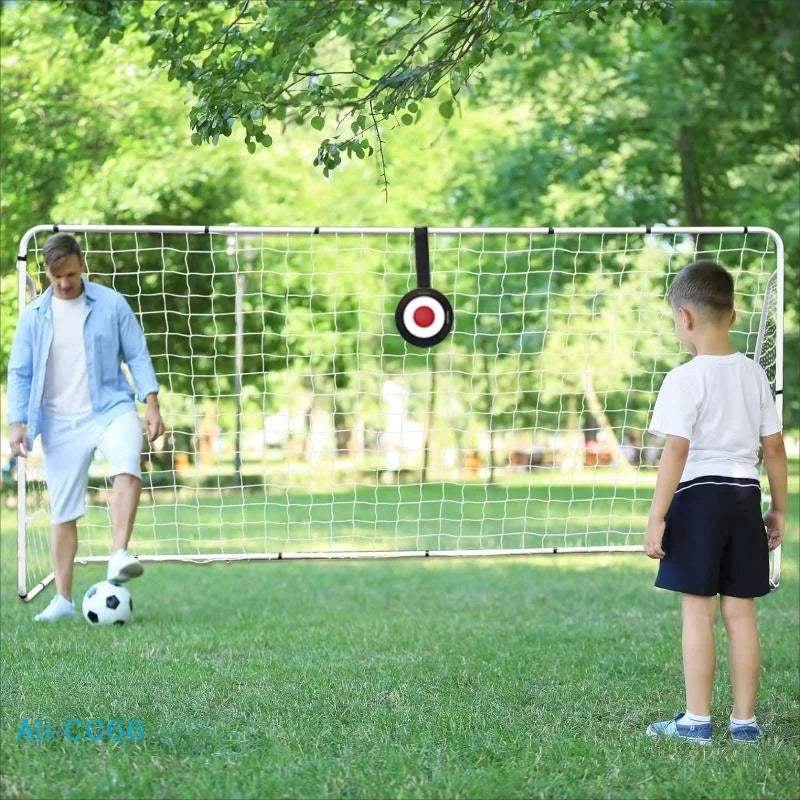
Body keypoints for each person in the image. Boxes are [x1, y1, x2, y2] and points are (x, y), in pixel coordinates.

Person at [643, 260, 786, 744]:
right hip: (746, 499)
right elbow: (774, 449)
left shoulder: (684, 379)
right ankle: (745, 723)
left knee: (697, 611)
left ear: (684, 318)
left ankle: (697, 722)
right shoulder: (754, 377)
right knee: (741, 613)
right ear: (732, 316)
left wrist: (657, 516)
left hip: (699, 501)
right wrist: (779, 509)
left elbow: (676, 452)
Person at [7, 233, 165, 621]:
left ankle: (118, 555)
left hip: (111, 408)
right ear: (46, 272)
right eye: (56, 277)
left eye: (71, 275)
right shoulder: (33, 316)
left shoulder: (111, 304)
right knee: (63, 510)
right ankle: (62, 599)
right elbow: (20, 372)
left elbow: (138, 354)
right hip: (59, 421)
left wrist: (152, 403)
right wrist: (17, 423)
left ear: (82, 266)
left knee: (127, 460)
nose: (64, 283)